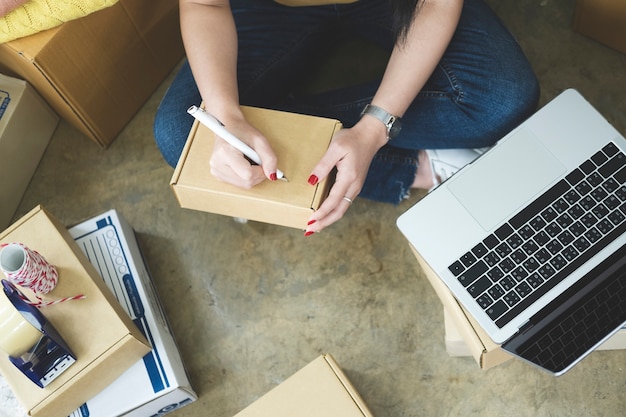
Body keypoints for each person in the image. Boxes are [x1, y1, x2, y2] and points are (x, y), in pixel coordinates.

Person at [153, 0, 539, 236]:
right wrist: (225, 114)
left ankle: (298, 144)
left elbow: (437, 2)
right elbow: (205, 4)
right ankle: (411, 165)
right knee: (181, 137)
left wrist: (374, 127)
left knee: (503, 98)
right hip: (266, 7)